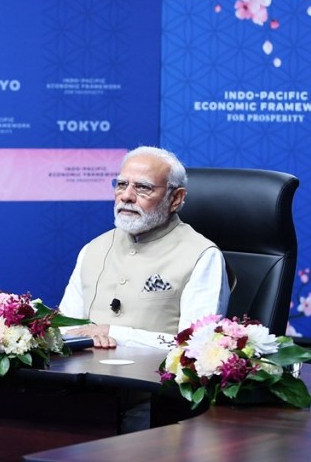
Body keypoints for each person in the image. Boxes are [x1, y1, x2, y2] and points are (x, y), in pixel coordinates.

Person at [58, 146, 229, 348]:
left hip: (153, 378)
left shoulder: (203, 256)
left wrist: (113, 333)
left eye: (143, 187)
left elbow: (197, 345)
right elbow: (65, 329)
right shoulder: (92, 249)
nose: (127, 196)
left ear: (175, 198)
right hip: (84, 375)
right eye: (121, 184)